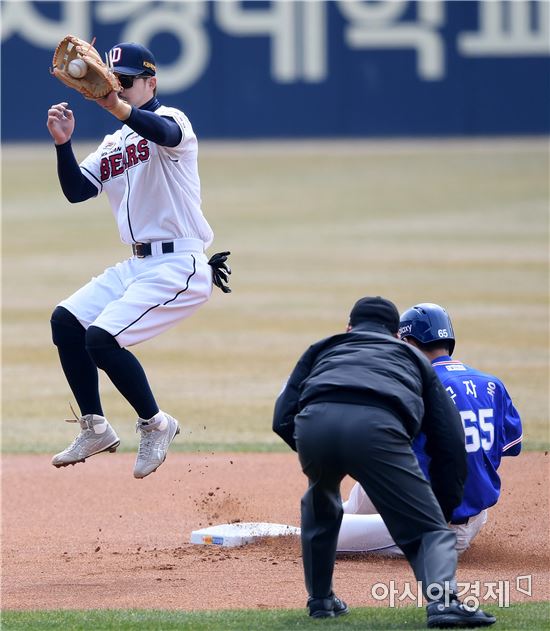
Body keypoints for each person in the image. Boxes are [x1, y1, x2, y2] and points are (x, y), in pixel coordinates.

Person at [46, 42, 230, 479]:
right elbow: (77, 190)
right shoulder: (114, 143)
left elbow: (161, 133)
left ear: (151, 82)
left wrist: (117, 106)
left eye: (125, 81)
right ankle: (95, 427)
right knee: (66, 322)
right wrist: (63, 145)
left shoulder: (174, 121)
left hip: (179, 263)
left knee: (101, 339)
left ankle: (156, 424)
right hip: (138, 264)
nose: (117, 88)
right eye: (111, 80)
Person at [273, 296, 496, 627]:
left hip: (314, 427)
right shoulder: (411, 356)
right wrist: (442, 510)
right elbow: (448, 438)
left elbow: (281, 417)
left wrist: (319, 451)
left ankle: (321, 600)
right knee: (428, 527)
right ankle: (444, 604)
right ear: (395, 335)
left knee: (321, 504)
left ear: (348, 328)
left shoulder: (321, 348)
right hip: (377, 430)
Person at [337, 303, 522, 555]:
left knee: (323, 533)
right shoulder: (492, 385)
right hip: (473, 515)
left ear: (409, 344)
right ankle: (347, 517)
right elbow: (508, 446)